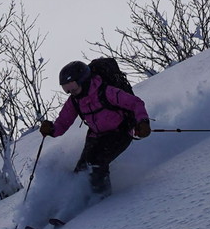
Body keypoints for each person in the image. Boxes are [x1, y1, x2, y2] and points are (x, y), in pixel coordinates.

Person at [39, 60, 151, 196]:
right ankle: (76, 202)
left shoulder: (106, 92)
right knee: (81, 171)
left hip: (119, 132)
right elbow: (62, 123)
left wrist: (143, 122)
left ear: (83, 80)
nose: (71, 91)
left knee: (97, 162)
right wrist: (51, 129)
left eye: (73, 86)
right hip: (96, 136)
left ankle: (101, 200)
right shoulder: (74, 101)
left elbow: (135, 103)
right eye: (66, 88)